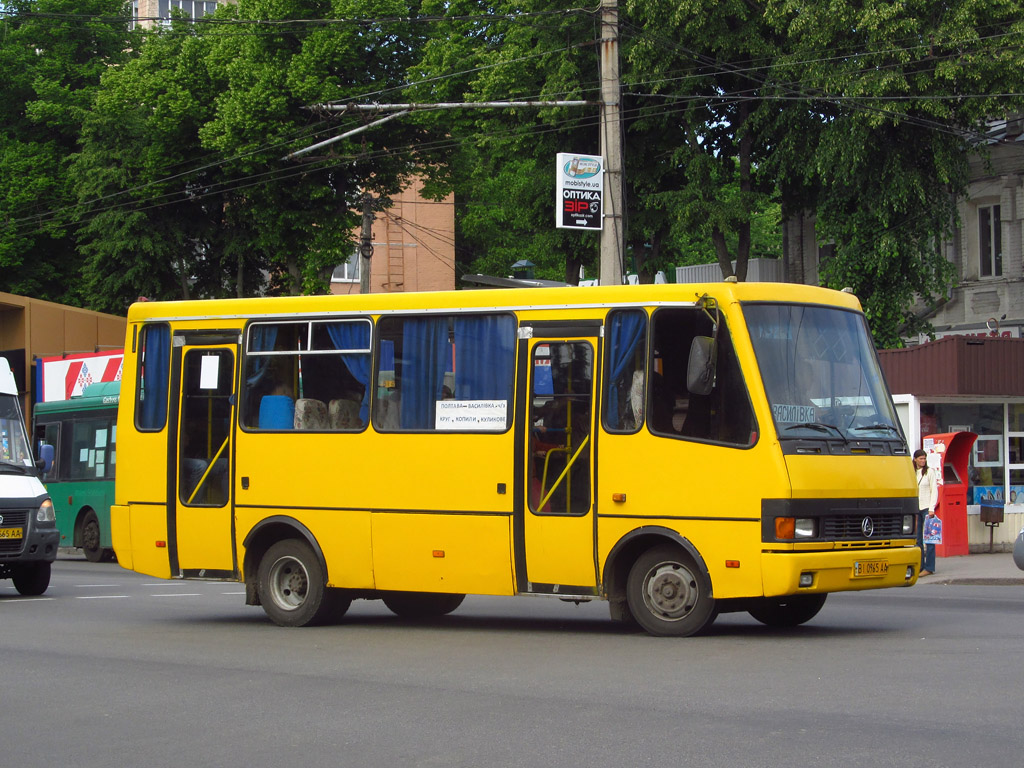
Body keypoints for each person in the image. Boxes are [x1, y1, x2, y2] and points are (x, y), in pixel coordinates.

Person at [914, 448, 939, 576]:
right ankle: (919, 565)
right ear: (915, 459)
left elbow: (934, 490)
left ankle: (929, 567)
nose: (923, 461)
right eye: (920, 459)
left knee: (929, 539)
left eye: (924, 458)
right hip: (915, 508)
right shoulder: (913, 472)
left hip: (927, 508)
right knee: (917, 539)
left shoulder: (929, 472)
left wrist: (931, 508)